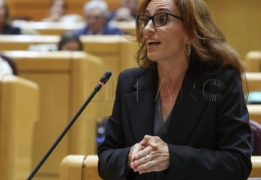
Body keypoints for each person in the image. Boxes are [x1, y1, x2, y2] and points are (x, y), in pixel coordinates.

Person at [97, 0, 252, 179]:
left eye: (162, 19)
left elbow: (237, 163)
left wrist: (173, 157)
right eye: (146, 19)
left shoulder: (222, 82)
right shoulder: (129, 82)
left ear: (190, 33)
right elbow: (105, 158)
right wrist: (128, 156)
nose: (147, 28)